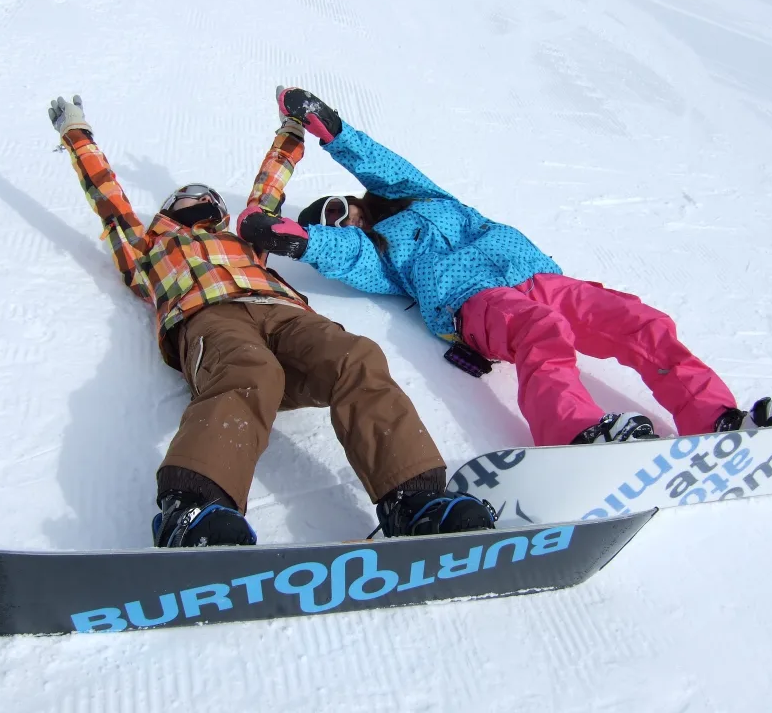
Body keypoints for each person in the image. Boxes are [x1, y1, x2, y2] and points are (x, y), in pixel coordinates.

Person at [47, 94, 496, 547]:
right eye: (186, 198)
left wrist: (292, 131)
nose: (196, 199)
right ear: (168, 212)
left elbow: (269, 188)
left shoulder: (244, 241)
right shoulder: (146, 251)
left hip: (285, 315)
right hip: (212, 317)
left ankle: (415, 503)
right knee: (250, 373)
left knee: (356, 356)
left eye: (206, 197)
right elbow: (110, 201)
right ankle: (195, 509)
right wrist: (76, 134)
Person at [236, 87, 772, 448]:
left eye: (337, 208)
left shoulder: (417, 196)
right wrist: (294, 238)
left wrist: (329, 128)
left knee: (640, 321)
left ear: (355, 199)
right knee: (540, 334)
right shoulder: (381, 252)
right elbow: (346, 256)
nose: (341, 222)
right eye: (330, 222)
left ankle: (717, 417)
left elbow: (387, 165)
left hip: (539, 275)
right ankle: (576, 430)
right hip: (473, 301)